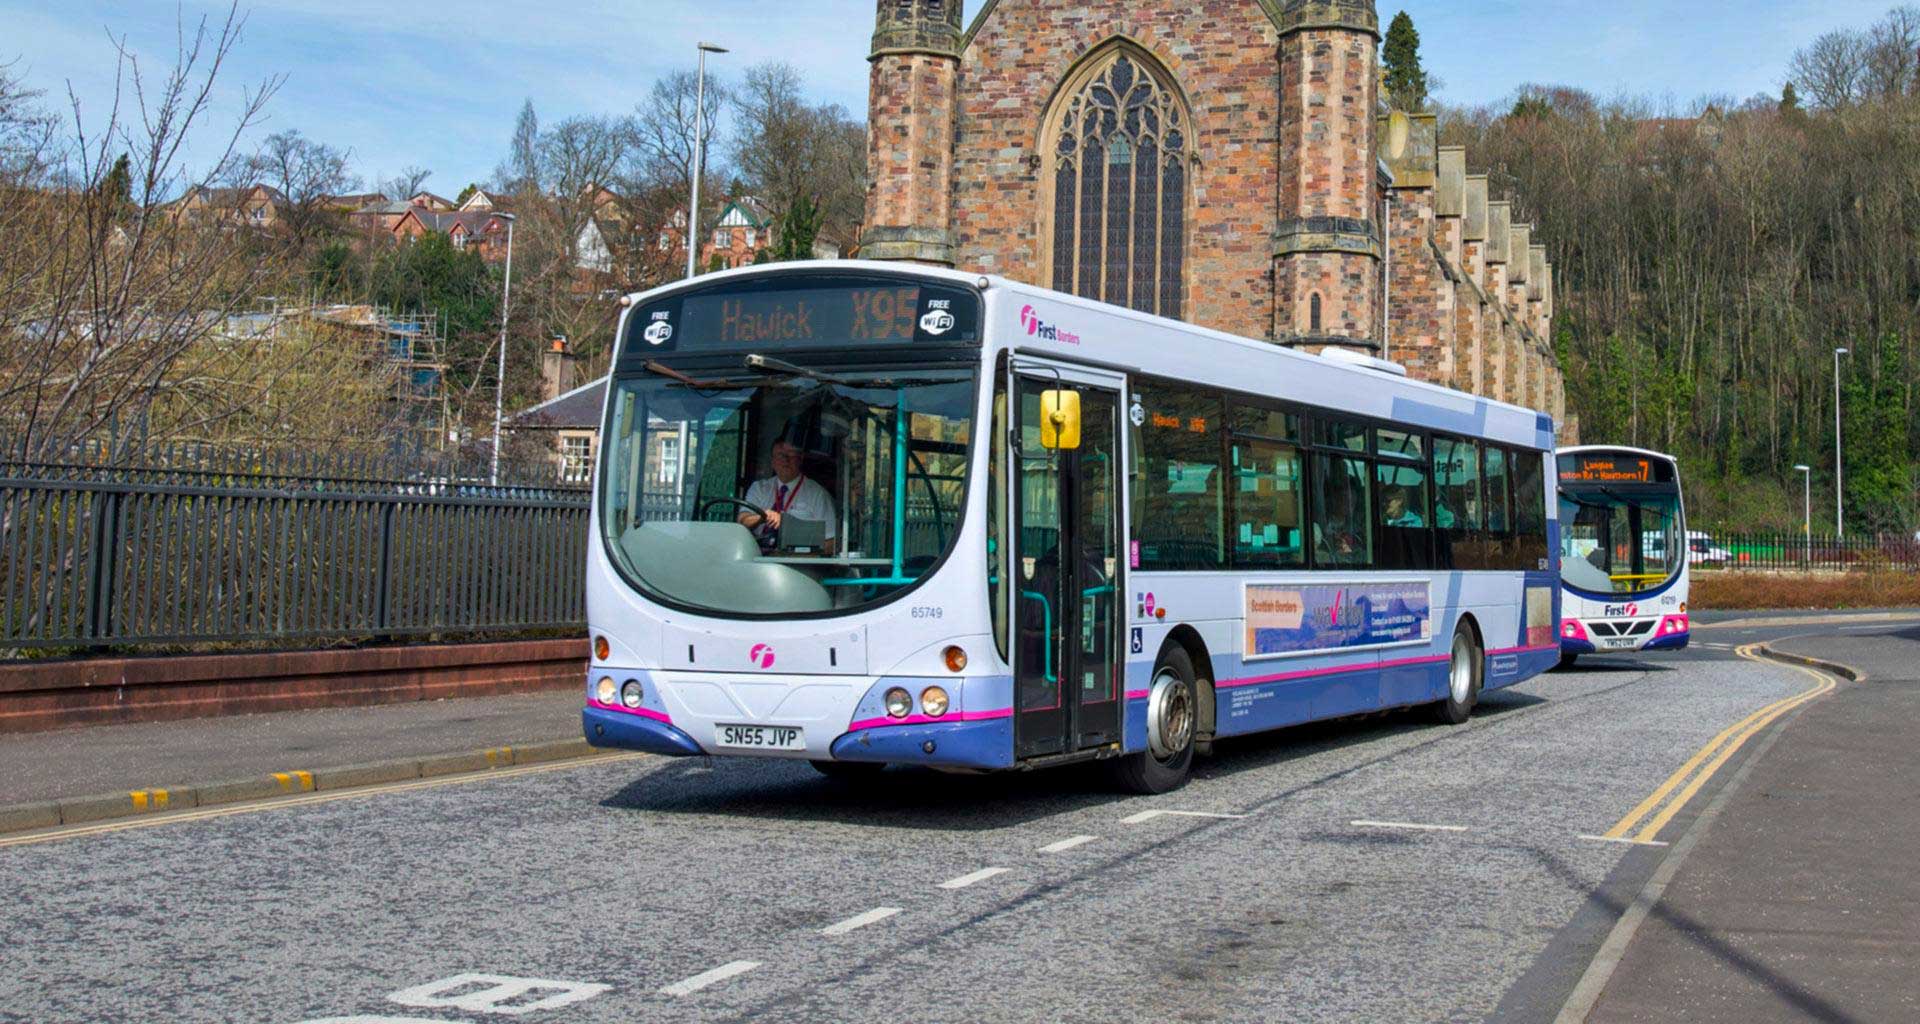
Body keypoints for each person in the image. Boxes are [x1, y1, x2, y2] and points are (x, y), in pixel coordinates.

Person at [737, 438, 838, 555]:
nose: (786, 460)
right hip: (757, 558)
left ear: (800, 460)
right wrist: (763, 517)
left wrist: (794, 554)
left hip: (796, 564)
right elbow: (742, 519)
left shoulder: (817, 494)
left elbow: (832, 543)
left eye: (791, 455)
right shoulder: (759, 488)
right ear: (772, 461)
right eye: (780, 455)